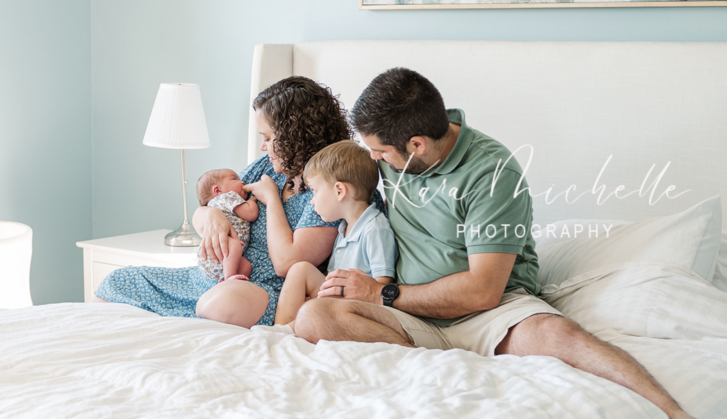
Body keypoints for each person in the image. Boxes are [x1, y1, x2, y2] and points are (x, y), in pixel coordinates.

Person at [293, 68, 695, 419]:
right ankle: (435, 366)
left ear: (417, 145)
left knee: (561, 337)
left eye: (380, 152)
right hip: (412, 316)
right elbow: (331, 183)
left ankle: (675, 412)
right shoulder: (396, 157)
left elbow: (483, 290)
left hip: (489, 311)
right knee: (314, 317)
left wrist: (384, 293)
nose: (376, 161)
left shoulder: (492, 172)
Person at [94, 76, 349, 328]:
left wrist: (272, 200)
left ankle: (188, 319)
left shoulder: (329, 187)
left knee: (222, 302)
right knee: (116, 281)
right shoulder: (266, 168)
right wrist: (210, 216)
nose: (263, 147)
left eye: (269, 138)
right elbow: (211, 206)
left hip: (264, 289)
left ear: (297, 135)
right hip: (210, 280)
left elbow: (287, 263)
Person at [272, 140, 397, 330]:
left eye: (314, 192)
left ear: (339, 191)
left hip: (360, 304)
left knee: (316, 309)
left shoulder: (375, 228)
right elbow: (332, 275)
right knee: (300, 270)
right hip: (337, 296)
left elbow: (382, 283)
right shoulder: (343, 227)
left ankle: (289, 328)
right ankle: (280, 327)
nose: (312, 202)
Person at [194, 169, 259, 282]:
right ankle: (229, 277)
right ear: (217, 190)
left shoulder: (217, 203)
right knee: (233, 244)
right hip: (220, 250)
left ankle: (225, 280)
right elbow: (251, 213)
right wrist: (252, 199)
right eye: (235, 179)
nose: (242, 182)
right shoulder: (227, 197)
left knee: (246, 266)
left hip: (212, 259)